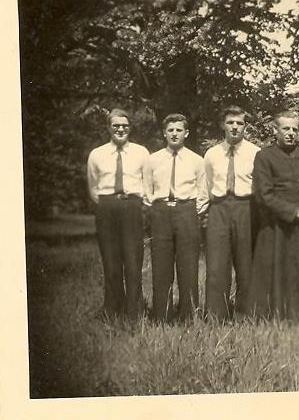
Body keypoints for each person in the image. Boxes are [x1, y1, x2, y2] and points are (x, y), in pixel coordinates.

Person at [247, 110, 299, 320]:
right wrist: (295, 212)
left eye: (295, 129)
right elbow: (264, 195)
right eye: (286, 128)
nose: (291, 133)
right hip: (277, 225)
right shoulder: (264, 156)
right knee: (277, 271)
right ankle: (274, 318)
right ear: (275, 130)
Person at [143, 113, 208, 322]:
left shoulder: (197, 161)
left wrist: (190, 211)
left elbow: (203, 192)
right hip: (160, 212)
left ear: (186, 133)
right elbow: (146, 189)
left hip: (186, 210)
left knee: (188, 265)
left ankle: (189, 316)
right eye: (170, 130)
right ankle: (162, 315)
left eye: (178, 130)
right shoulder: (152, 160)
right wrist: (155, 208)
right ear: (164, 133)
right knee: (161, 264)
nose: (174, 133)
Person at [87, 108, 149, 320]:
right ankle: (112, 310)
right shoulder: (97, 154)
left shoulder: (141, 153)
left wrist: (133, 203)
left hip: (132, 207)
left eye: (125, 126)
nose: (120, 129)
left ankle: (134, 311)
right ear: (108, 128)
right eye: (116, 126)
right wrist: (109, 203)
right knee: (111, 260)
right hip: (106, 208)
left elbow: (147, 184)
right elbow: (93, 187)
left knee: (133, 260)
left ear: (130, 128)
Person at [203, 105, 260, 320]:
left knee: (246, 264)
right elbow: (207, 185)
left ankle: (246, 315)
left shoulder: (255, 152)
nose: (235, 127)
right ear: (222, 125)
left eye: (239, 123)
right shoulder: (212, 154)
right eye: (230, 123)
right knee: (217, 264)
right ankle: (216, 316)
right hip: (219, 208)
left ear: (245, 126)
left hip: (246, 208)